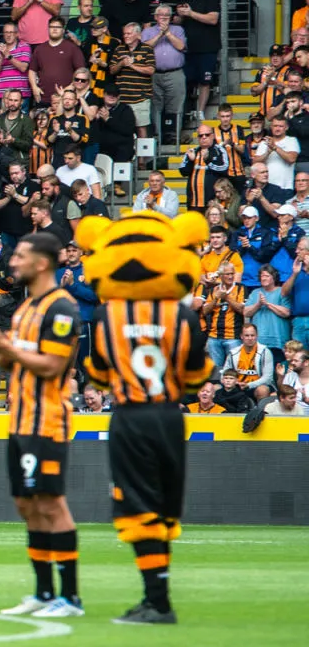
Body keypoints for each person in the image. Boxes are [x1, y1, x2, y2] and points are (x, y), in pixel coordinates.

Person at [79, 214, 212, 625]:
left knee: (138, 509)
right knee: (165, 509)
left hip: (131, 416)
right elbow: (198, 377)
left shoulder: (106, 317)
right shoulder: (184, 317)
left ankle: (157, 601)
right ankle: (158, 597)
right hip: (171, 416)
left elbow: (98, 374)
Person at [0, 233, 85, 618]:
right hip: (19, 419)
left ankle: (70, 597)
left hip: (47, 419)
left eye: (19, 256)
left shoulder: (62, 307)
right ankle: (44, 592)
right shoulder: (24, 309)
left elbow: (53, 366)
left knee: (51, 503)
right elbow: (16, 363)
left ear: (40, 263)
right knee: (25, 503)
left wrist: (9, 348)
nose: (12, 262)